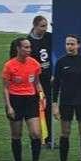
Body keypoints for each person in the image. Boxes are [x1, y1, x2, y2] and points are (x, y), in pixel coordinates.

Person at [2, 37, 44, 161]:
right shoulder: (9, 66)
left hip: (31, 100)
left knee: (36, 133)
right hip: (15, 101)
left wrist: (42, 95)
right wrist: (9, 106)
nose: (29, 50)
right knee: (16, 135)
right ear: (18, 49)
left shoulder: (34, 64)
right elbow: (6, 88)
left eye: (29, 47)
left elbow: (37, 82)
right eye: (26, 47)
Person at [27, 16, 53, 149]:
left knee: (47, 106)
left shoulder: (49, 37)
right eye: (42, 26)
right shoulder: (28, 42)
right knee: (38, 108)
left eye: (46, 26)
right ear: (34, 25)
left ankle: (49, 138)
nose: (45, 29)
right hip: (35, 80)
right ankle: (38, 136)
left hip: (48, 79)